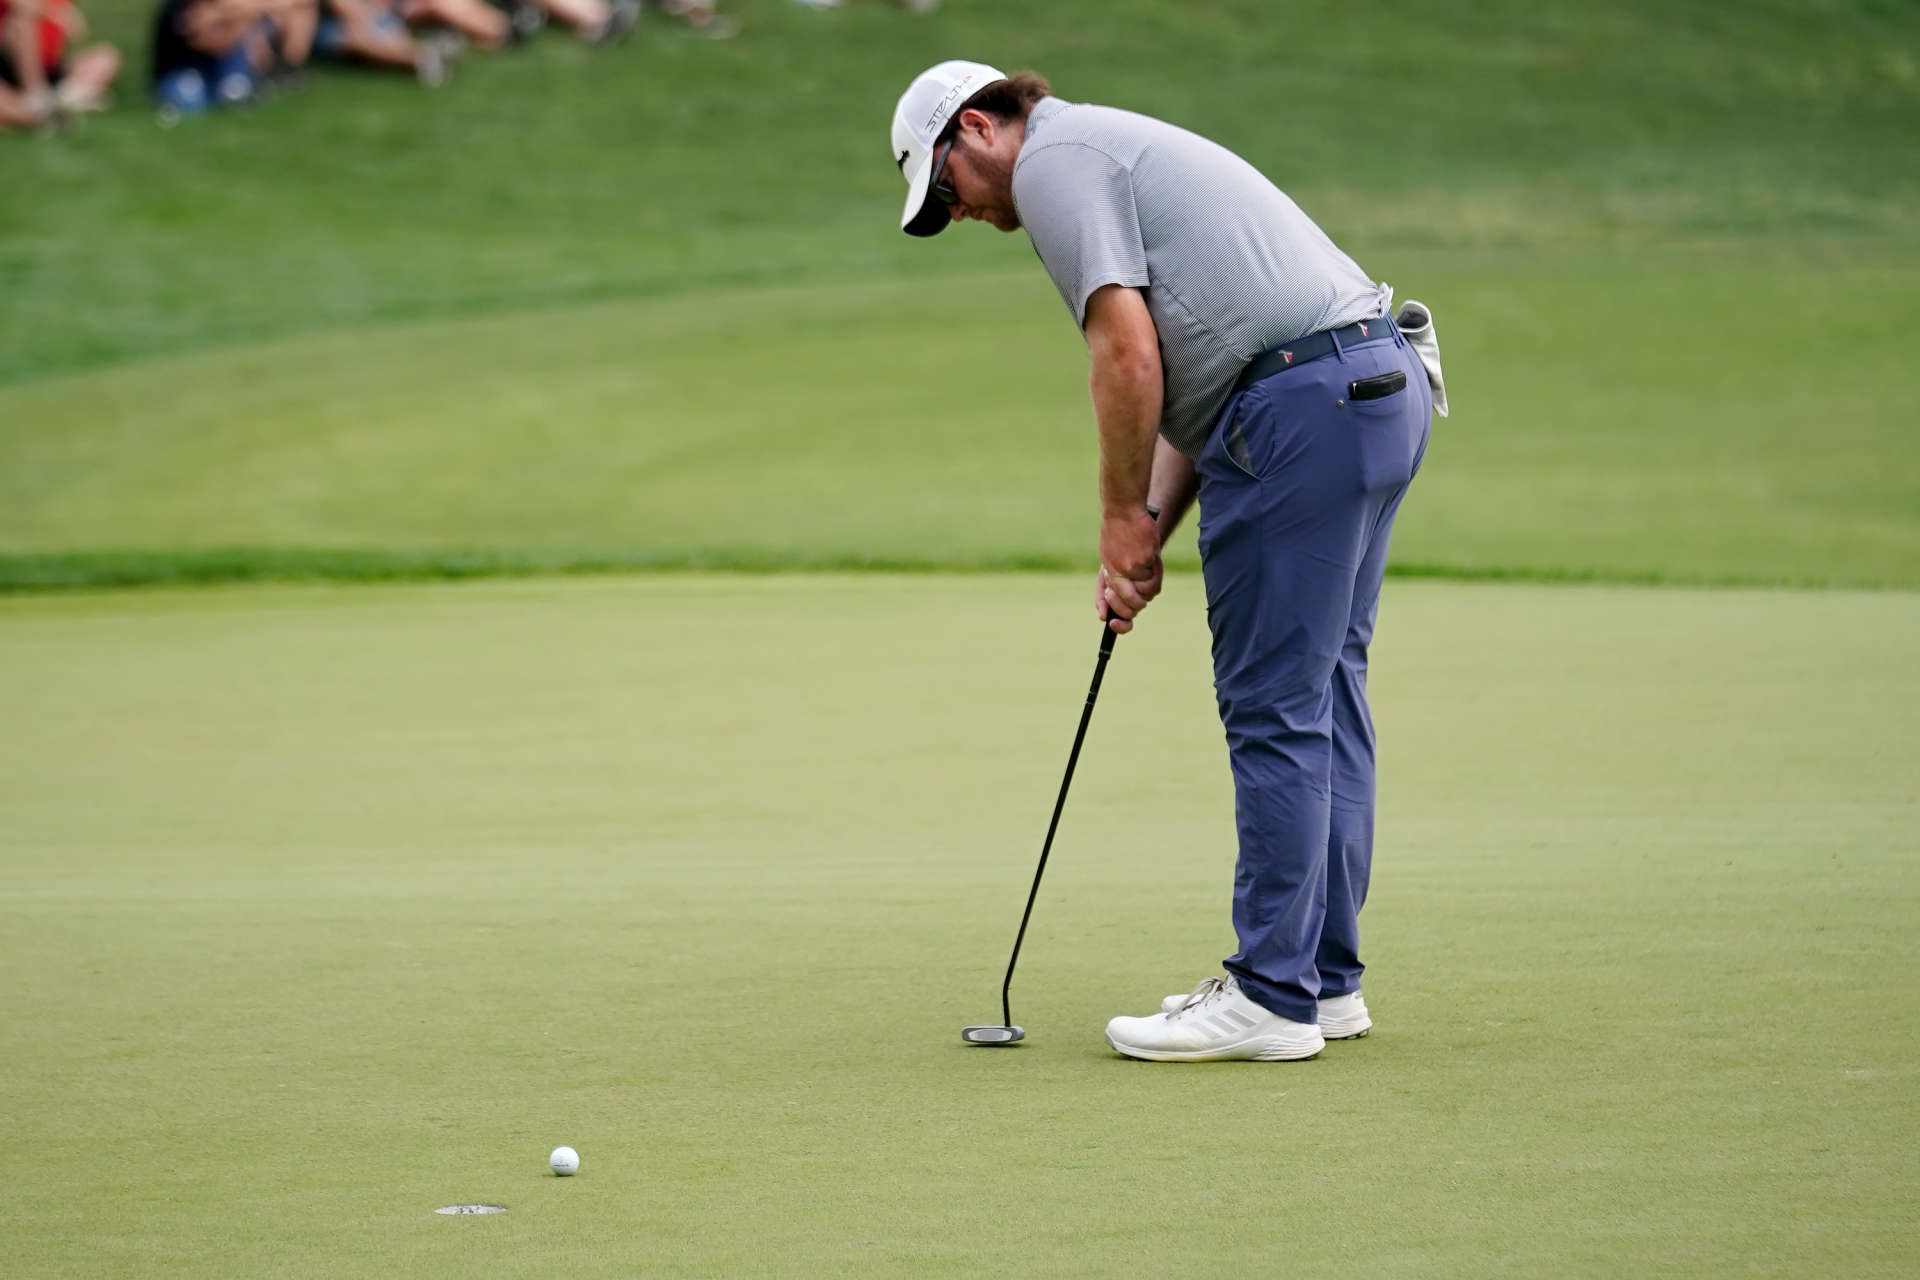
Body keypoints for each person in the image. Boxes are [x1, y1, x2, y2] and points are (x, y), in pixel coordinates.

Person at [890, 61, 1445, 1063]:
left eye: (945, 187)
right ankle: (1322, 983)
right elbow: (1210, 387)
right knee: (1323, 693)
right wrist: (1144, 532)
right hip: (1369, 385)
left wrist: (1116, 517)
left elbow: (1128, 357)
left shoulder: (1055, 161)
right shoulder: (1107, 144)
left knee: (1274, 706)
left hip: (1300, 405)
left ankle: (1270, 995)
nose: (955, 211)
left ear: (976, 126)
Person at [151, 0, 318, 118]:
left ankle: (278, 74)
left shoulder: (222, 7)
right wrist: (242, 23)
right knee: (189, 101)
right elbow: (212, 45)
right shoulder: (179, 10)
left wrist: (248, 14)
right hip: (181, 71)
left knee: (234, 92)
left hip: (217, 67)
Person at [0, 0, 121, 130]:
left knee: (106, 57)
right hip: (12, 64)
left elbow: (77, 30)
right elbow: (26, 6)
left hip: (50, 65)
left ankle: (61, 99)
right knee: (22, 22)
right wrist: (57, 14)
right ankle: (37, 100)